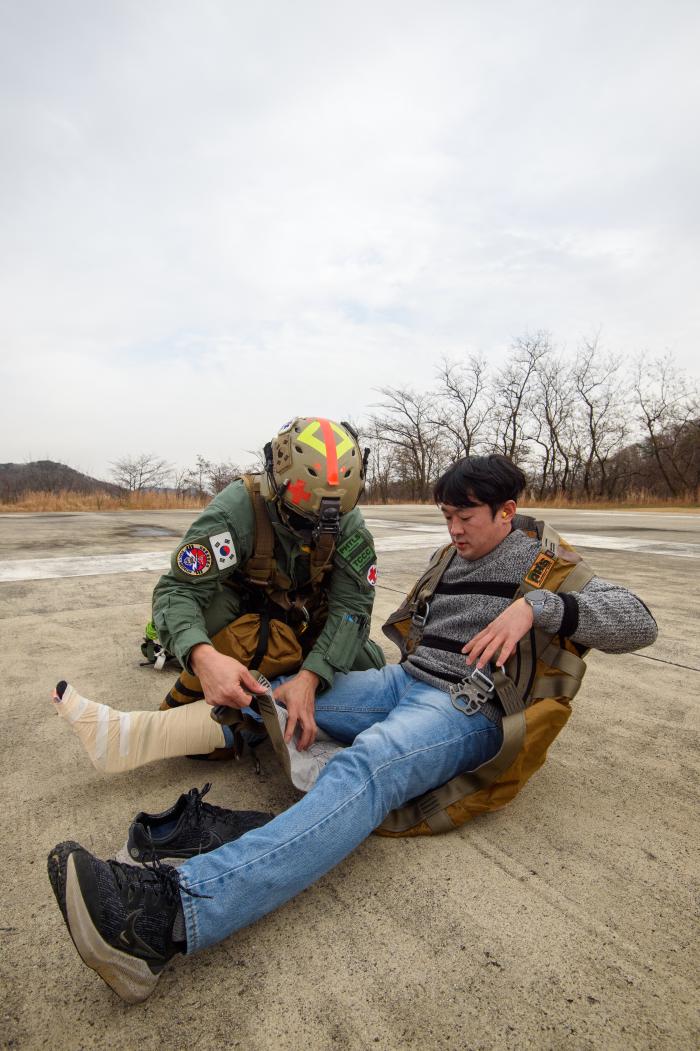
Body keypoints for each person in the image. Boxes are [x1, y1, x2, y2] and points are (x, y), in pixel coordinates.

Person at [47, 454, 658, 1004]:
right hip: (403, 681)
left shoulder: (542, 562)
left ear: (507, 511)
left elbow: (639, 621)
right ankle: (152, 741)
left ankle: (167, 918)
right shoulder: (449, 558)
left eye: (466, 517)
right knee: (276, 692)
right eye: (447, 516)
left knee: (367, 765)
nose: (454, 529)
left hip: (465, 704)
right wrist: (306, 681)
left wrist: (536, 607)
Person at [47, 416, 385, 776]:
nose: (316, 530)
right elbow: (178, 590)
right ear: (276, 484)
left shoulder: (346, 520)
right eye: (302, 520)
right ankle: (197, 712)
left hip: (304, 622)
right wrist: (203, 656)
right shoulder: (238, 510)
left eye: (329, 520)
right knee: (224, 630)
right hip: (243, 612)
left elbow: (353, 608)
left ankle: (210, 724)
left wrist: (312, 676)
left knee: (367, 668)